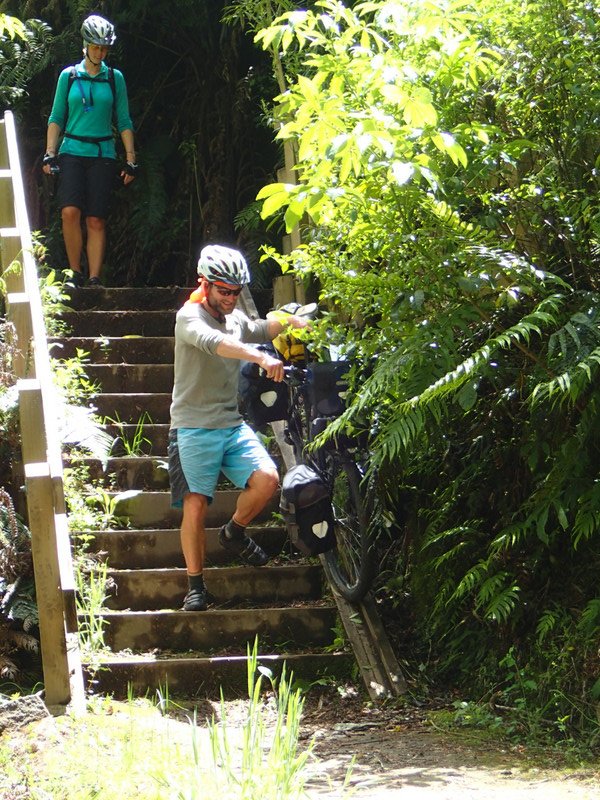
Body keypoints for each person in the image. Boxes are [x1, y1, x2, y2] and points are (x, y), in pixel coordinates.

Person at [168, 244, 310, 611]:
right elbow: (216, 343)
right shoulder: (189, 317)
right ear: (206, 284)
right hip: (192, 427)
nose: (231, 298)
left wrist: (292, 321)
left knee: (268, 479)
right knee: (195, 505)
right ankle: (195, 586)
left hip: (230, 424)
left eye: (235, 292)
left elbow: (258, 327)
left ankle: (234, 532)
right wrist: (260, 356)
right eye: (224, 291)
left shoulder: (233, 317)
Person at [42, 14, 137, 287]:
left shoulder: (114, 78)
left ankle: (94, 278)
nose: (100, 52)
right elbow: (56, 116)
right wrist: (50, 151)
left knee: (96, 218)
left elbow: (124, 119)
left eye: (105, 47)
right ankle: (75, 273)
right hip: (71, 150)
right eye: (96, 47)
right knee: (69, 212)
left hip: (102, 154)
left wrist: (131, 159)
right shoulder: (69, 76)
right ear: (85, 45)